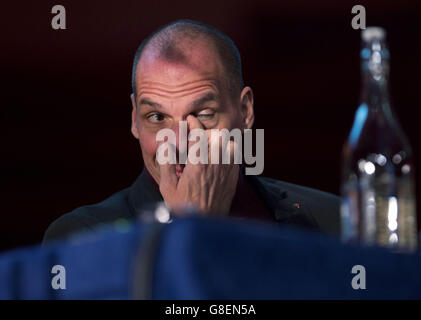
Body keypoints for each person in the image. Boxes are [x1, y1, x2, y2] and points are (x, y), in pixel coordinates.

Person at [43, 19, 340, 243]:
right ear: (135, 120)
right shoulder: (86, 236)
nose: (181, 144)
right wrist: (193, 227)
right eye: (157, 117)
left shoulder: (332, 221)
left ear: (245, 111)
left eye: (203, 114)